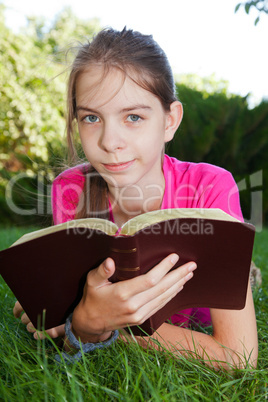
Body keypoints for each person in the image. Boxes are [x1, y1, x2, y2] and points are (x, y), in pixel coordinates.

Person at [13, 27, 258, 369]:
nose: (110, 142)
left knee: (241, 272)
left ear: (170, 121)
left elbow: (237, 355)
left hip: (196, 318)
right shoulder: (70, 189)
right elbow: (64, 336)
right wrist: (76, 321)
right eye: (91, 117)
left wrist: (96, 324)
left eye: (133, 117)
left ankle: (248, 270)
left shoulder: (211, 186)